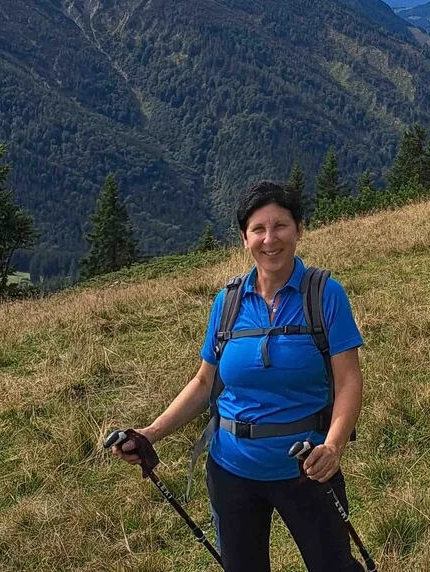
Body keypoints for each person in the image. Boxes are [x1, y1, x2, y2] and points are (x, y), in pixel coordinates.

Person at [112, 180, 365, 572]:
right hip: (231, 471)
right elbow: (203, 384)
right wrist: (149, 432)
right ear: (244, 238)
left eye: (280, 226)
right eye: (258, 230)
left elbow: (349, 381)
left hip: (307, 470)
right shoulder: (227, 301)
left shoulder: (325, 295)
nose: (270, 239)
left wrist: (332, 448)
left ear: (299, 228)